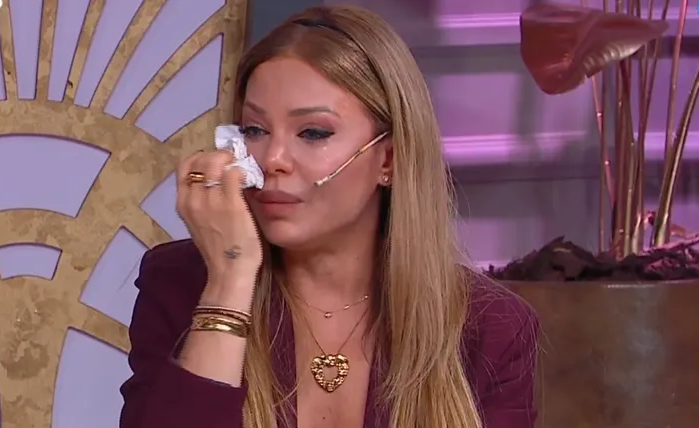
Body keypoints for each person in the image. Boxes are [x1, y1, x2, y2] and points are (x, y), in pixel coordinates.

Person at [118, 5, 539, 428]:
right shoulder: (179, 283)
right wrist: (228, 285)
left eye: (313, 133)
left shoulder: (491, 327)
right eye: (255, 130)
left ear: (388, 159)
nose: (272, 159)